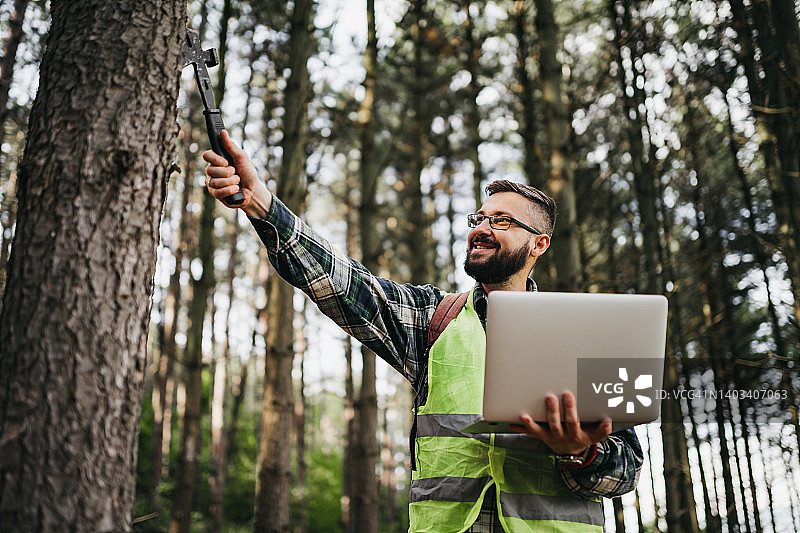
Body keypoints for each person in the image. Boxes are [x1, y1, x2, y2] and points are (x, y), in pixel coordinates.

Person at [204, 130, 642, 533]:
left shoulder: (583, 335)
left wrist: (578, 452)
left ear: (538, 245)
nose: (481, 229)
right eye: (479, 218)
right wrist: (261, 203)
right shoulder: (434, 318)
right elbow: (343, 283)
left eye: (502, 221)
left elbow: (626, 471)